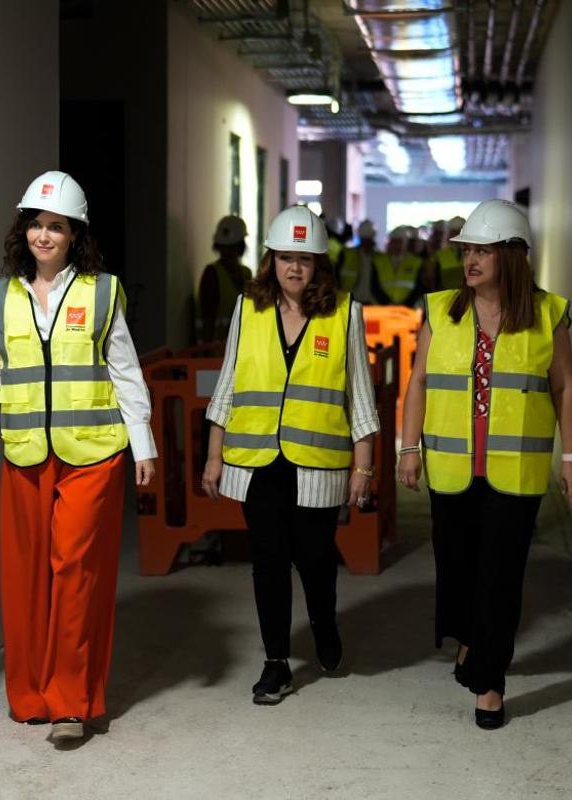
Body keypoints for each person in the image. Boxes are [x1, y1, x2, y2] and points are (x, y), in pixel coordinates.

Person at [0, 170, 158, 744]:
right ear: (23, 231)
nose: (44, 236)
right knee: (23, 576)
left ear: (76, 234)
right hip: (24, 451)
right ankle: (30, 698)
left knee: (73, 569)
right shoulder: (1, 295)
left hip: (93, 452)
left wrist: (142, 442)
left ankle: (72, 700)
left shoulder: (102, 291)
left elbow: (125, 371)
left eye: (56, 226)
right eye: (36, 225)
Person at [398, 199, 572, 730]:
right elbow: (419, 382)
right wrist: (407, 449)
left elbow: (565, 387)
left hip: (516, 472)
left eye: (483, 250)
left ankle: (491, 685)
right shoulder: (440, 309)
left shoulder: (549, 313)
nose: (471, 260)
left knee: (501, 576)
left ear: (513, 256)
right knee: (457, 569)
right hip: (453, 466)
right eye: (467, 251)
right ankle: (471, 641)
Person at [200, 205, 380, 705]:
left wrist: (362, 467)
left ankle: (325, 627)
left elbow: (359, 399)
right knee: (268, 562)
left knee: (317, 560)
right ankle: (276, 662)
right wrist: (214, 455)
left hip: (318, 465)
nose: (293, 268)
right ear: (271, 261)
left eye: (304, 259)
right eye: (284, 258)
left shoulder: (345, 313)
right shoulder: (247, 308)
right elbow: (228, 384)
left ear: (320, 263)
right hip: (256, 459)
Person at [197, 215, 254, 342]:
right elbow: (208, 319)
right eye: (225, 248)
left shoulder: (246, 274)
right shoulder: (211, 274)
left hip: (241, 349)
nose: (228, 252)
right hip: (217, 352)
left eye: (232, 247)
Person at [338, 219, 390, 305]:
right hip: (352, 301)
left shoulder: (381, 258)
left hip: (374, 302)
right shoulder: (347, 254)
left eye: (368, 240)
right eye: (364, 239)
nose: (366, 243)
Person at [376, 226, 423, 306]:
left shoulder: (416, 262)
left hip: (408, 309)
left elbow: (419, 287)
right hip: (385, 308)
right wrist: (387, 303)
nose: (397, 245)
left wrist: (406, 304)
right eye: (394, 242)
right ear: (390, 243)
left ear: (405, 244)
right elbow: (375, 287)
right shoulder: (378, 261)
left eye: (400, 242)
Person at [433, 215, 466, 290]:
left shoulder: (473, 254)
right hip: (447, 297)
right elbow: (434, 283)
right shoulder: (440, 255)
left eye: (459, 231)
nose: (456, 235)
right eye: (454, 232)